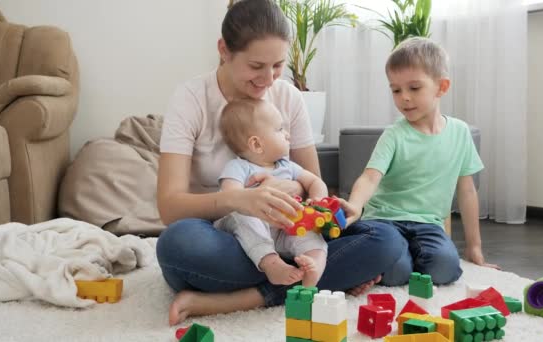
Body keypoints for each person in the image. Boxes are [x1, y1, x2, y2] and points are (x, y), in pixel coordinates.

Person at [155, 0, 400, 326]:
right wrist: (238, 199)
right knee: (178, 244)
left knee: (386, 239)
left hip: (290, 232)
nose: (268, 79)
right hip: (225, 238)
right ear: (224, 51)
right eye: (256, 66)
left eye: (277, 65)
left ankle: (248, 296)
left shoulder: (288, 97)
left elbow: (312, 179)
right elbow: (170, 207)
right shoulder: (191, 99)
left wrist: (298, 192)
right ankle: (313, 280)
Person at [339, 37, 499, 289]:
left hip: (428, 224)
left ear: (441, 87)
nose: (404, 98)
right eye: (396, 90)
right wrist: (356, 206)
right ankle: (395, 257)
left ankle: (404, 256)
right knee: (396, 274)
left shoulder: (460, 132)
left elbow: (467, 192)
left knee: (446, 268)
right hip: (384, 221)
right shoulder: (394, 134)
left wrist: (474, 247)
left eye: (414, 88)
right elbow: (370, 176)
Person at [216, 98, 328, 287]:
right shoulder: (238, 167)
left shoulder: (288, 166)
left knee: (311, 231)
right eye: (279, 129)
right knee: (241, 215)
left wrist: (317, 201)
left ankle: (313, 267)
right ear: (257, 145)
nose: (287, 134)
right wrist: (256, 197)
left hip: (284, 228)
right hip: (250, 230)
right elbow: (230, 198)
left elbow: (315, 181)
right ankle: (272, 264)